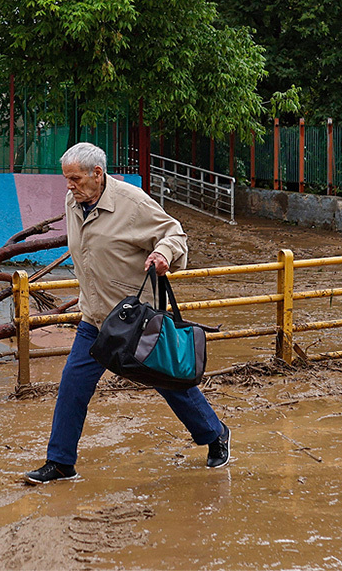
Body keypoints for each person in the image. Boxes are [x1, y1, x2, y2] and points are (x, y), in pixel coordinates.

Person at [24, 142, 230, 485]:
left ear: (97, 173)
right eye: (66, 179)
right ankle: (60, 463)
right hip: (95, 319)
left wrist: (163, 254)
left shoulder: (132, 203)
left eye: (75, 179)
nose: (69, 186)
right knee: (73, 386)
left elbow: (174, 233)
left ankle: (215, 433)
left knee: (166, 381)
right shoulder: (74, 201)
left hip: (135, 320)